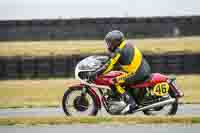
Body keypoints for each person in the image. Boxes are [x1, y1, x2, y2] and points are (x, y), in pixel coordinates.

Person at [89, 30, 151, 113]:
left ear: (115, 42)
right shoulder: (126, 44)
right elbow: (117, 62)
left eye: (109, 43)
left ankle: (131, 103)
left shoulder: (119, 50)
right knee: (119, 77)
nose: (108, 45)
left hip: (136, 72)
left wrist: (96, 73)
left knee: (114, 81)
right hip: (142, 68)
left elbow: (110, 65)